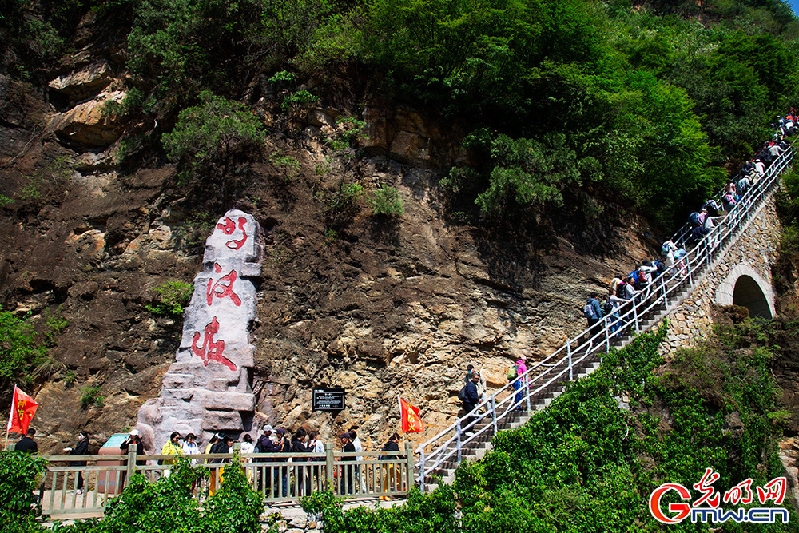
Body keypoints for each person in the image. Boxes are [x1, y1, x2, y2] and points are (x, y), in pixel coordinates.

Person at [379, 433, 401, 500]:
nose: (398, 441)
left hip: (385, 462)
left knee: (395, 475)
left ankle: (398, 487)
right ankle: (384, 494)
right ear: (396, 439)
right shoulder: (394, 445)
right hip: (390, 463)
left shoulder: (388, 444)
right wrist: (404, 459)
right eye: (398, 439)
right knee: (390, 477)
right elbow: (398, 454)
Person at [290, 428, 311, 496]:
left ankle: (294, 496)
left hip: (296, 465)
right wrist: (311, 447)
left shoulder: (294, 443)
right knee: (304, 481)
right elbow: (306, 451)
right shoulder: (298, 444)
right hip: (299, 465)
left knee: (298, 481)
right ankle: (309, 495)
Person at [349, 427, 366, 494]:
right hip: (357, 460)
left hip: (357, 460)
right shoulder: (356, 442)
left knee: (357, 475)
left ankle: (363, 489)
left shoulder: (356, 443)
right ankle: (362, 489)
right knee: (357, 475)